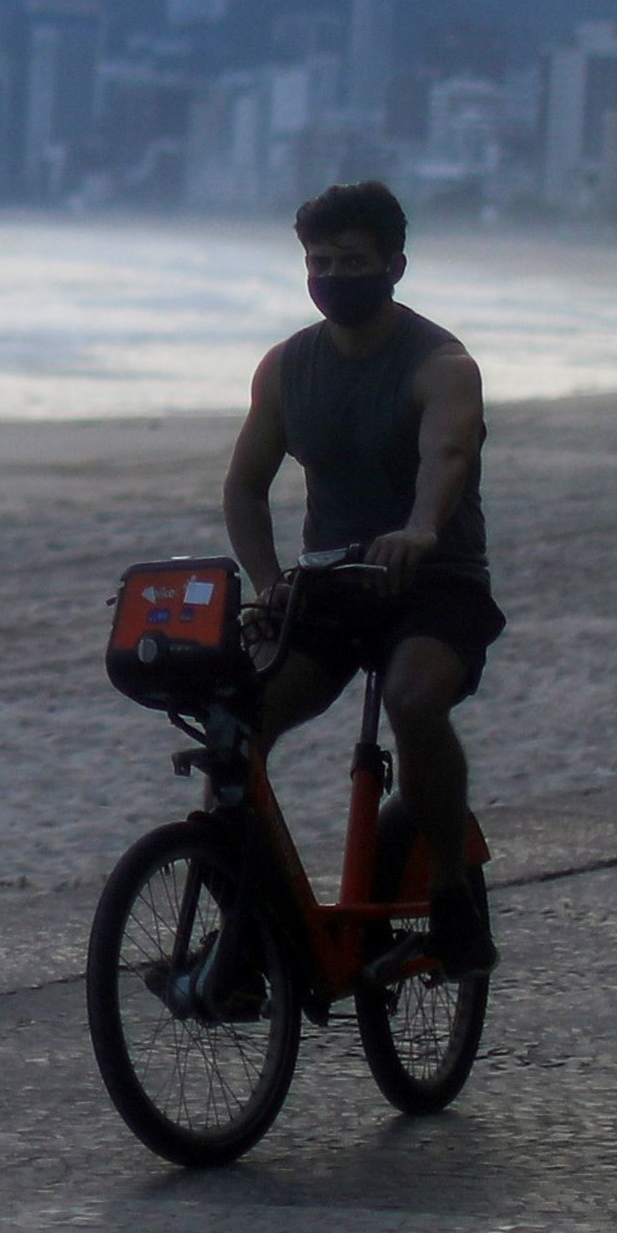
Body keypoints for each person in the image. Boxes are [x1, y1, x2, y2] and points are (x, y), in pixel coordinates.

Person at [219, 177, 501, 979]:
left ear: (395, 266)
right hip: (327, 588)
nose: (333, 277)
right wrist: (268, 579)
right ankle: (245, 911)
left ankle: (449, 897)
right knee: (238, 729)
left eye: (352, 261)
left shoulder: (441, 364)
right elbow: (244, 487)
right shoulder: (285, 368)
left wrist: (419, 528)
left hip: (434, 578)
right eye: (319, 261)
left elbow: (448, 454)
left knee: (414, 701)